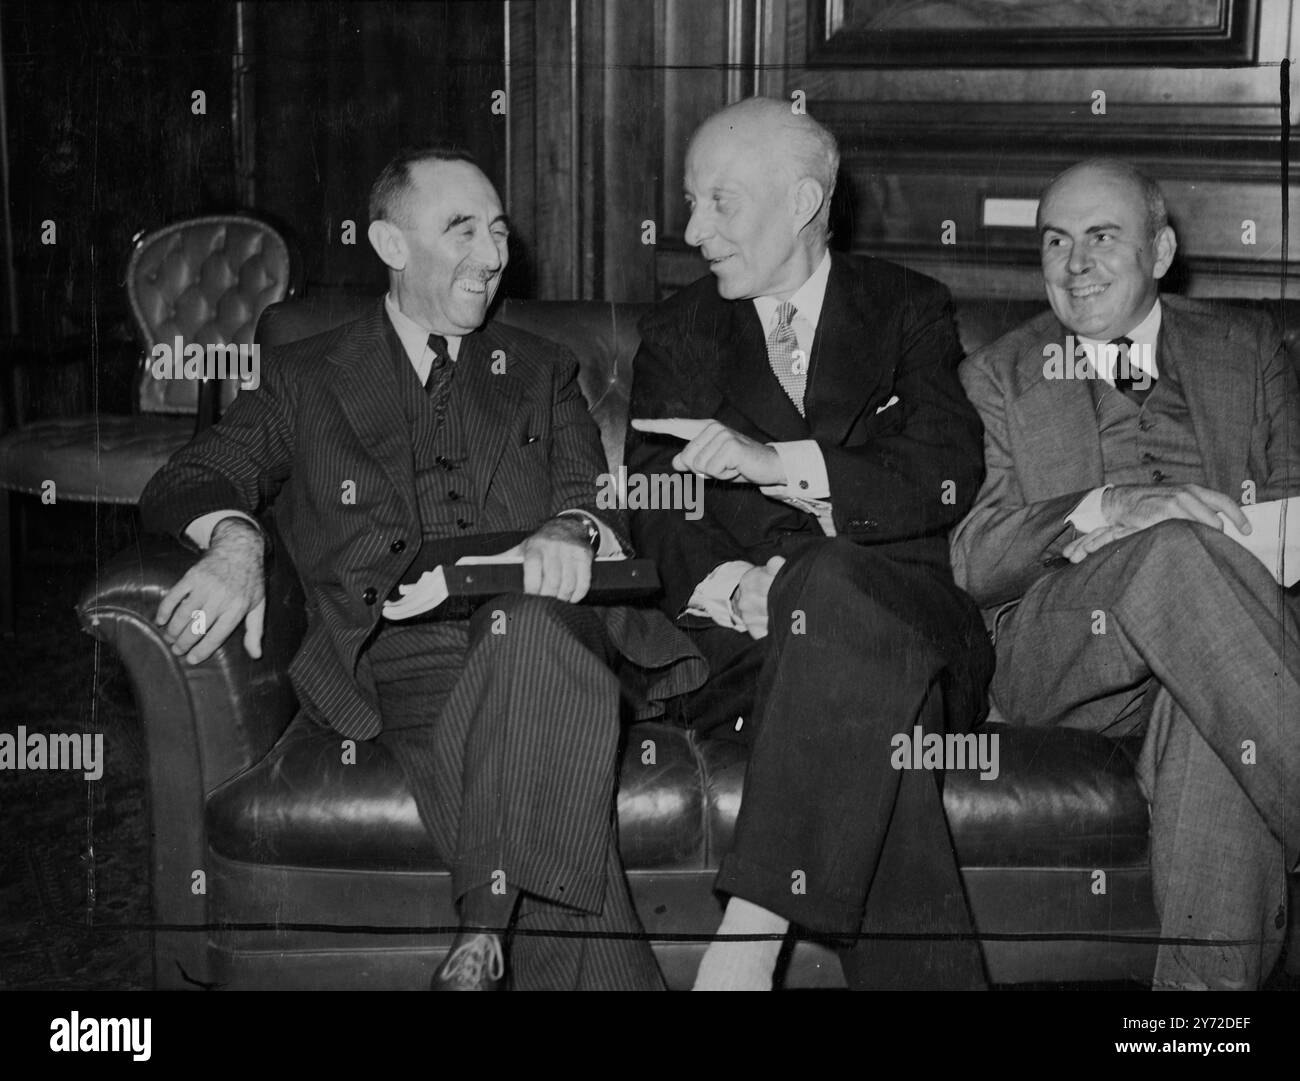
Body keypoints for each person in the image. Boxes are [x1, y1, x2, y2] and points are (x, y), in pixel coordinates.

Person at [139, 146, 704, 991]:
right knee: (533, 764)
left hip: (558, 630)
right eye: (462, 229)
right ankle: (497, 925)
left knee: (527, 621)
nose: (492, 255)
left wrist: (568, 530)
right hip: (402, 654)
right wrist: (236, 540)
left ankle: (482, 922)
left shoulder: (543, 371)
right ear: (391, 245)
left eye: (500, 231)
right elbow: (188, 476)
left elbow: (590, 494)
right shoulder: (304, 377)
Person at [626, 97, 995, 991]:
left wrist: (779, 463)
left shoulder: (909, 307)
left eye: (719, 202)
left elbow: (947, 467)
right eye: (689, 202)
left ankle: (749, 934)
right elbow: (655, 492)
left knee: (827, 582)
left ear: (799, 203)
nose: (690, 229)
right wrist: (728, 584)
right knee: (870, 711)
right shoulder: (680, 331)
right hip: (754, 654)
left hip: (919, 627)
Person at [950, 158, 1300, 989]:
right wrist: (1107, 507)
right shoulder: (996, 374)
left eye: (1103, 238)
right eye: (1055, 243)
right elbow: (971, 553)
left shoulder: (1249, 350)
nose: (1075, 266)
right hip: (1059, 654)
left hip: (1220, 656)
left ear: (1162, 250)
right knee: (1175, 545)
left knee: (1217, 727)